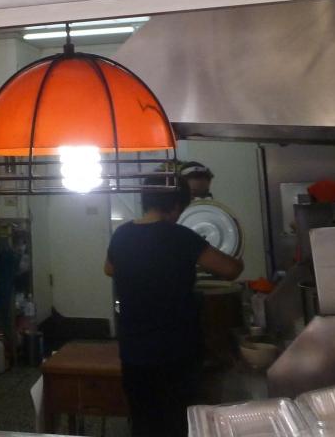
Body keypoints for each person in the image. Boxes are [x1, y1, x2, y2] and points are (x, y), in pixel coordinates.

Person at [104, 179, 243, 437]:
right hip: (177, 354)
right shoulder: (180, 236)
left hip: (134, 352)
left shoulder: (122, 234)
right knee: (178, 423)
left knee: (144, 422)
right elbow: (231, 269)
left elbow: (109, 269)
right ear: (176, 206)